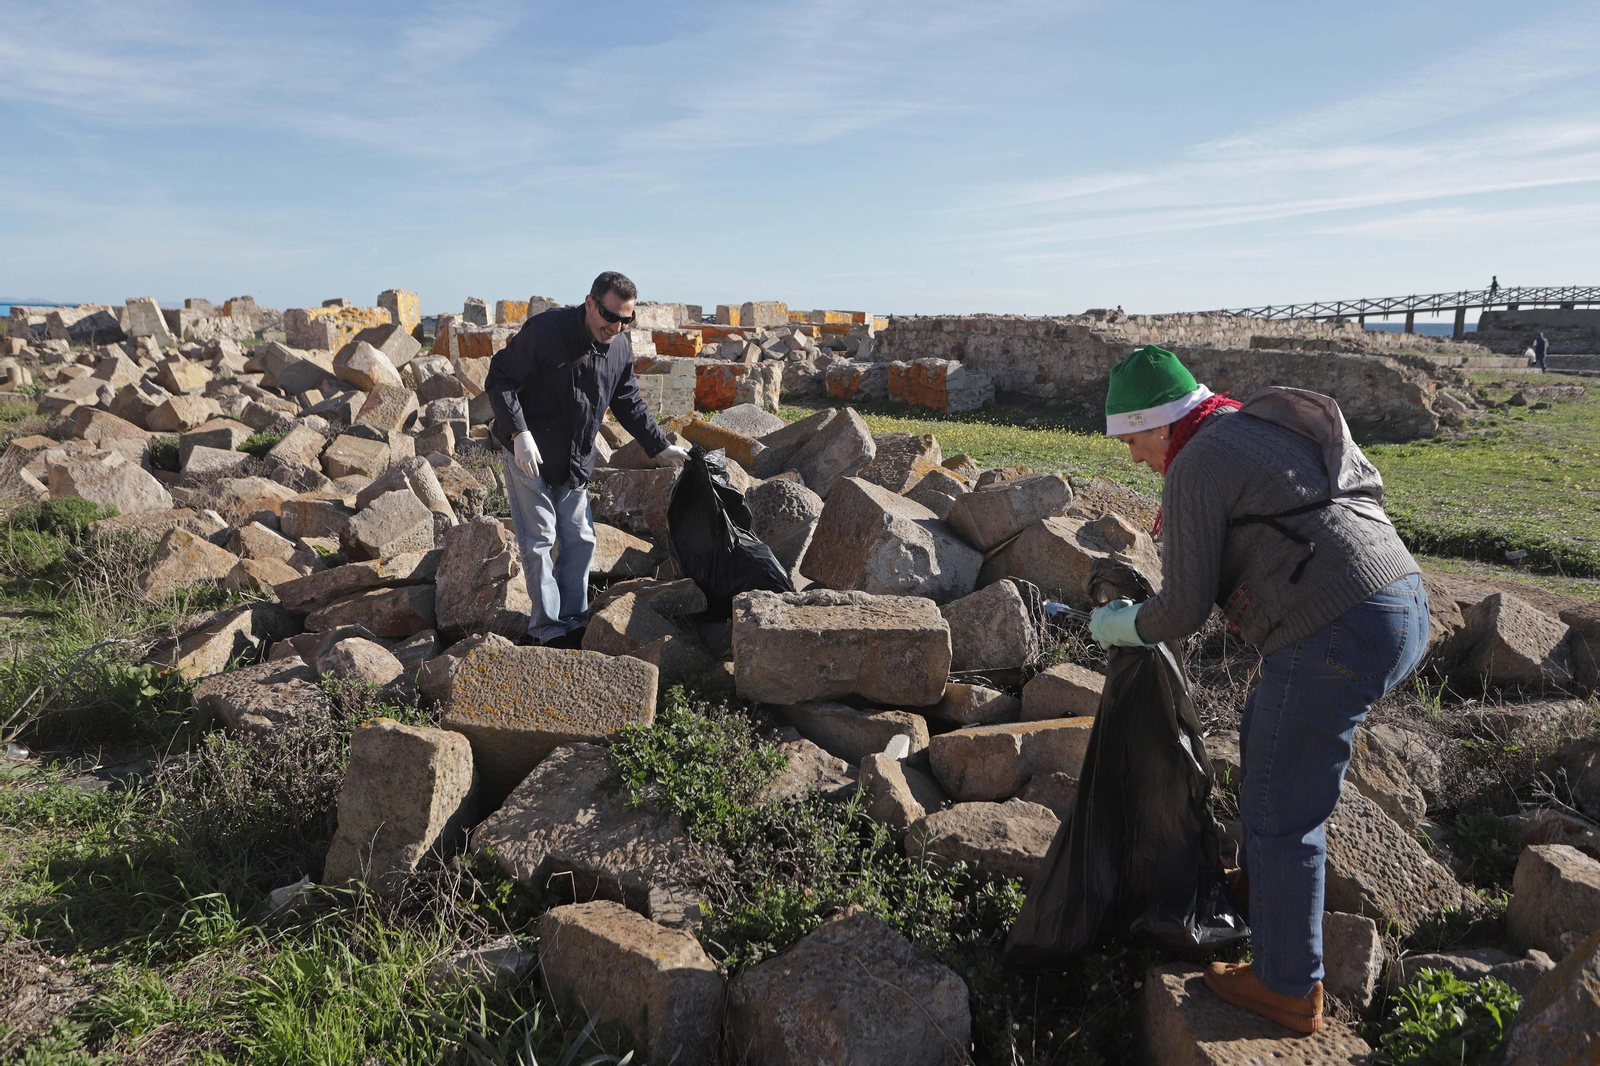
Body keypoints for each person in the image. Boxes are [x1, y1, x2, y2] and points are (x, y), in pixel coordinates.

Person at [1088, 345, 1428, 1035]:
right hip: (1400, 601)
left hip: (1335, 626)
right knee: (1270, 748)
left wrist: (1125, 627)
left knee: (1279, 809)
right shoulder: (1247, 425)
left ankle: (1287, 986)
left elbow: (1182, 609)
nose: (1133, 459)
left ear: (1159, 424)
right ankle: (1271, 895)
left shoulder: (1195, 463)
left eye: (1132, 440)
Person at [486, 271, 688, 647]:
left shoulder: (620, 347)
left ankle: (573, 621)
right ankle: (547, 630)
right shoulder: (545, 331)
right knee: (539, 539)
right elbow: (500, 378)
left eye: (627, 320)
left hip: (576, 456)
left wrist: (659, 447)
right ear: (590, 303)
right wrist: (518, 433)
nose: (617, 326)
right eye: (611, 316)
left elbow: (628, 401)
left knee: (580, 538)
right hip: (527, 451)